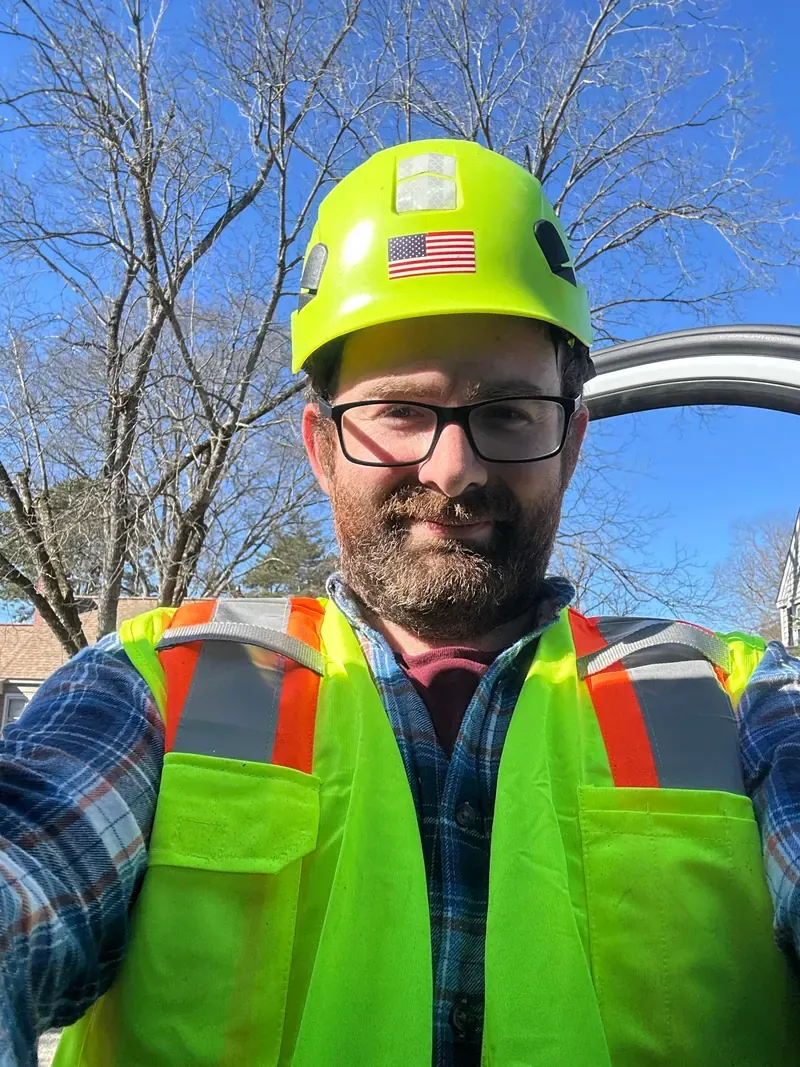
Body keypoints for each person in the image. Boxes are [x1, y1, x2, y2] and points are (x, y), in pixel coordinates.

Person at [1, 139, 799, 1067]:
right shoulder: (160, 684)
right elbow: (27, 864)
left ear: (572, 444)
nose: (452, 469)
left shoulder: (734, 696)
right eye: (400, 412)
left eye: (508, 413)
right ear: (320, 446)